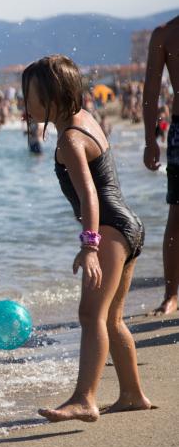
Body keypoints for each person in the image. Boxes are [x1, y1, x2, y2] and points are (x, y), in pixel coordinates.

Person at [23, 55, 151, 422]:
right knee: (112, 317)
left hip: (109, 228)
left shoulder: (68, 140)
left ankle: (85, 398)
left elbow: (89, 195)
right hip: (129, 226)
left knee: (90, 314)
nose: (24, 104)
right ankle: (131, 394)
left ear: (52, 96)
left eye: (29, 96)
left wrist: (89, 246)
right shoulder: (84, 120)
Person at [144, 16, 179, 316]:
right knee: (177, 212)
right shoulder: (165, 34)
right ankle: (171, 294)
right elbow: (151, 90)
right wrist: (149, 139)